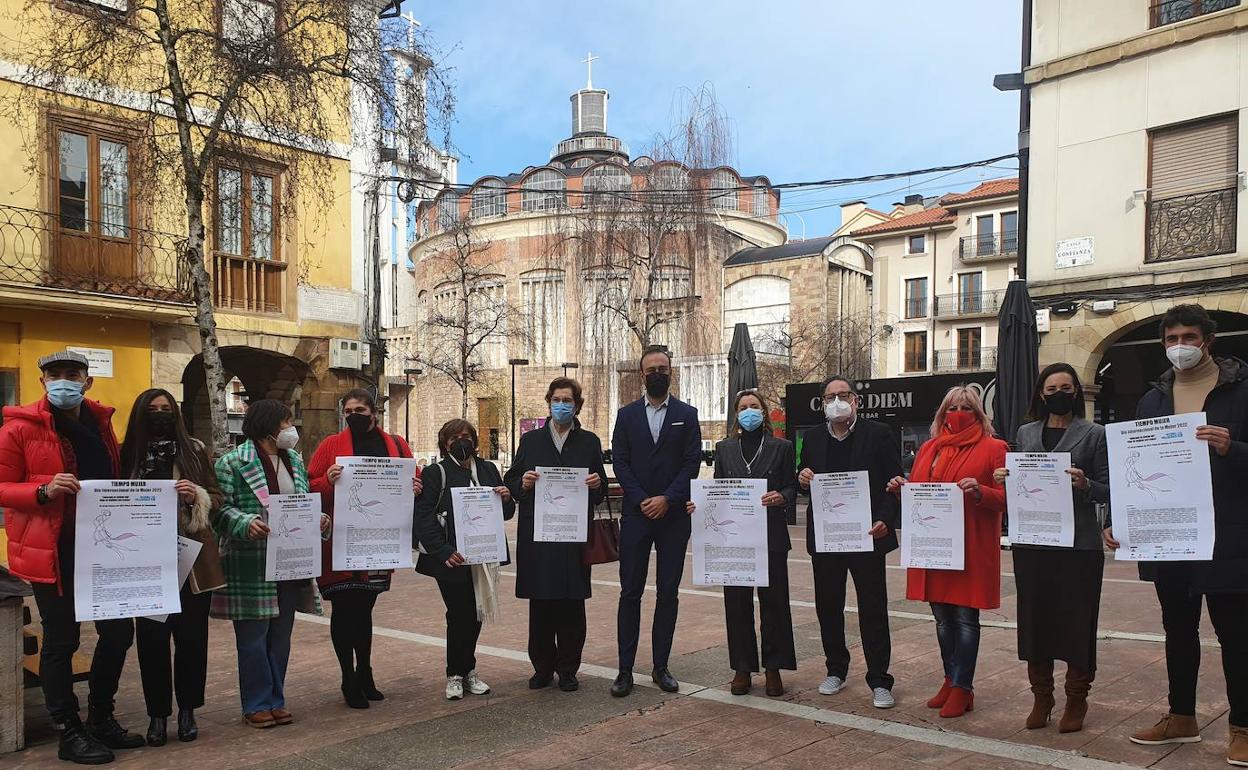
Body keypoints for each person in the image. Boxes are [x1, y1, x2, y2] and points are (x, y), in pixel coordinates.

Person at [1104, 305, 1248, 764]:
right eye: (1171, 338)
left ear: (1208, 340)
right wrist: (1119, 519)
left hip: (1228, 536)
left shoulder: (1242, 391)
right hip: (1172, 537)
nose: (1179, 346)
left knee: (1237, 635)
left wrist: (1235, 447)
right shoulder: (1153, 400)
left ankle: (1243, 726)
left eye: (1188, 336)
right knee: (1177, 631)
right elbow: (1138, 471)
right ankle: (1181, 717)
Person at [0, 351, 145, 764]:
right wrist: (43, 490)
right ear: (43, 381)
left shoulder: (101, 423)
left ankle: (101, 717)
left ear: (87, 381)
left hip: (103, 549)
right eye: (55, 374)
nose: (64, 380)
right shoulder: (17, 429)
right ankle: (68, 729)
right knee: (62, 641)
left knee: (118, 634)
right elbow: (1, 485)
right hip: (52, 552)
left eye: (72, 374)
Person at [992, 364, 1109, 733]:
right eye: (1051, 387)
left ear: (1076, 391)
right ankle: (1042, 696)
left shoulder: (1095, 434)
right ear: (1041, 394)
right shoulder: (1025, 433)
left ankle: (1077, 698)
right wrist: (1004, 478)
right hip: (1034, 544)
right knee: (1034, 621)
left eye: (1066, 386)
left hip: (1079, 547)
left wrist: (1085, 483)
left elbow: (1112, 486)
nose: (1059, 392)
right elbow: (1021, 487)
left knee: (1077, 622)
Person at [887, 385, 1006, 719]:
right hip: (934, 547)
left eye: (966, 407)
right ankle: (949, 678)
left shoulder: (995, 448)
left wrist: (981, 491)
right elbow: (922, 495)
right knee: (941, 618)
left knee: (966, 618)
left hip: (971, 548)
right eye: (952, 407)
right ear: (942, 413)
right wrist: (902, 490)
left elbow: (1008, 498)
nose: (958, 413)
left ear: (979, 412)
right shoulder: (929, 449)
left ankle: (963, 687)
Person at [213, 399, 328, 729]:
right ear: (268, 425)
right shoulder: (232, 462)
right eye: (286, 422)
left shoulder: (293, 459)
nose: (292, 428)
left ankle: (276, 699)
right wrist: (245, 522)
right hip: (251, 562)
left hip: (290, 561)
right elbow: (219, 510)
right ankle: (256, 702)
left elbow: (301, 504)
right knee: (252, 638)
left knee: (281, 636)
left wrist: (317, 519)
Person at [121, 389, 226, 746]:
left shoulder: (194, 449)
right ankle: (157, 715)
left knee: (192, 638)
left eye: (167, 409)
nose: (161, 414)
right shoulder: (128, 452)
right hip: (146, 562)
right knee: (151, 641)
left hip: (190, 558)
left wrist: (195, 495)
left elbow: (217, 494)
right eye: (152, 409)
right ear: (141, 413)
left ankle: (187, 711)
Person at [309, 388, 422, 709]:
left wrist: (416, 485)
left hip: (378, 541)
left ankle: (366, 672)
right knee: (345, 610)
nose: (354, 415)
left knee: (365, 608)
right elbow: (309, 486)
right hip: (341, 543)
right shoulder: (331, 445)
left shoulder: (396, 445)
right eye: (348, 411)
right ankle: (348, 677)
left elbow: (414, 478)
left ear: (375, 412)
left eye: (360, 409)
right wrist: (327, 481)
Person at [797, 376, 902, 709]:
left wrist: (886, 519)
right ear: (823, 403)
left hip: (867, 535)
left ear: (856, 401)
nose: (837, 401)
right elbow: (802, 477)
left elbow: (893, 482)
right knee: (828, 606)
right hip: (828, 537)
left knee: (872, 607)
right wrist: (802, 479)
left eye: (843, 395)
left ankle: (880, 680)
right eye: (830, 397)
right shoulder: (812, 437)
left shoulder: (879, 433)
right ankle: (836, 669)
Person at [610, 346, 703, 697]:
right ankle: (624, 670)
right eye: (651, 369)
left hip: (673, 516)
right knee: (629, 593)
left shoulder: (687, 414)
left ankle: (661, 666)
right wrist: (641, 499)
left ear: (671, 371)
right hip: (636, 515)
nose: (657, 373)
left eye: (662, 368)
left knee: (668, 593)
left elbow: (691, 462)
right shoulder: (627, 415)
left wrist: (668, 498)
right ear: (641, 374)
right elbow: (620, 461)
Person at [504, 378, 607, 692]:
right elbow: (511, 482)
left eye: (568, 400)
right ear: (549, 401)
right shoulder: (531, 440)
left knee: (572, 606)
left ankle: (568, 669)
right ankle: (542, 668)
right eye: (557, 399)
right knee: (542, 605)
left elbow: (600, 488)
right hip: (539, 537)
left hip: (574, 536)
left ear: (577, 405)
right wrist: (523, 482)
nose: (562, 405)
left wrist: (596, 485)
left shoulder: (589, 441)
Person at [691, 389, 795, 697]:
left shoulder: (782, 447)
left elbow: (791, 486)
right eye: (743, 407)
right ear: (736, 414)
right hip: (734, 538)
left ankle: (774, 667)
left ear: (763, 412)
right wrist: (700, 506)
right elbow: (718, 490)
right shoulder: (724, 448)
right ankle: (742, 667)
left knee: (774, 604)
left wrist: (782, 497)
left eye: (754, 406)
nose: (749, 411)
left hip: (771, 536)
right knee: (736, 604)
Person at [413, 418, 515, 701]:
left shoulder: (488, 469)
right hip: (452, 559)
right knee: (459, 614)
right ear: (445, 442)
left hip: (483, 554)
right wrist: (443, 551)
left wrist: (507, 498)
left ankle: (468, 670)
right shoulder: (436, 473)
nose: (461, 441)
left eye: (466, 435)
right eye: (454, 437)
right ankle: (455, 674)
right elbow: (422, 516)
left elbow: (505, 514)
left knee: (477, 613)